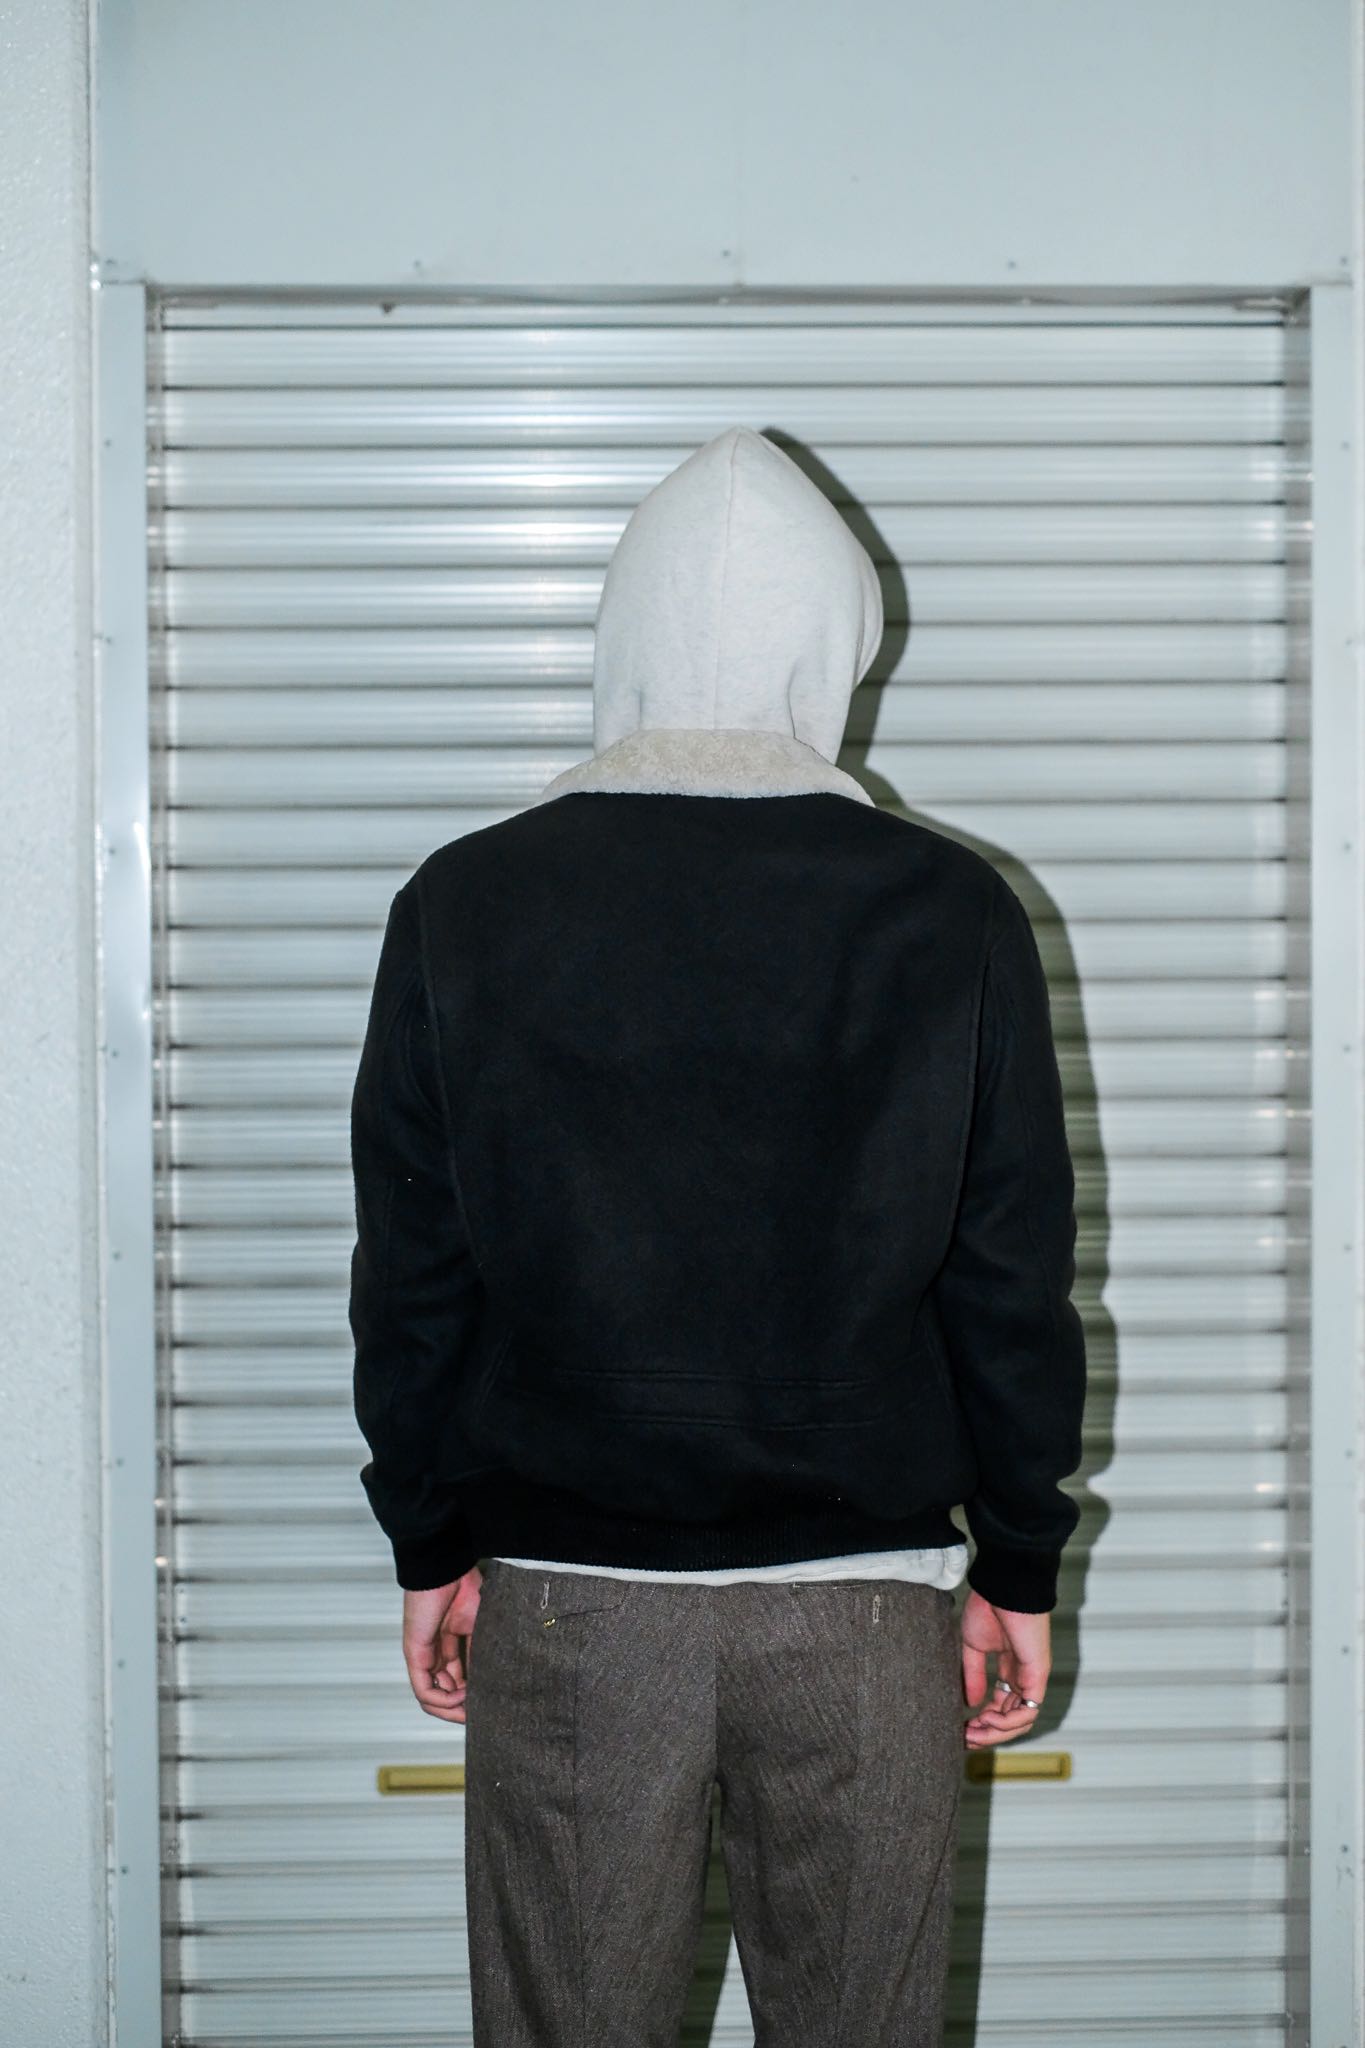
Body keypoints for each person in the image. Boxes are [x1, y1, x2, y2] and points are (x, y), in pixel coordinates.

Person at [348, 423, 1087, 2045]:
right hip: (864, 1605)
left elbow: (412, 1271)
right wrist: (1017, 1556)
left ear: (617, 635)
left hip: (571, 1599)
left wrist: (428, 1537)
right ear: (836, 644)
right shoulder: (946, 909)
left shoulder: (466, 902)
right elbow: (1008, 1275)